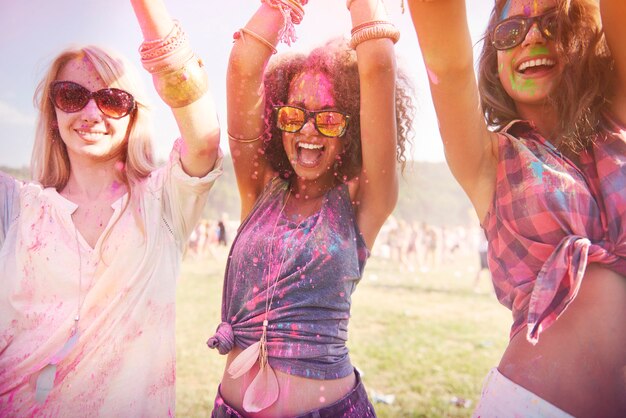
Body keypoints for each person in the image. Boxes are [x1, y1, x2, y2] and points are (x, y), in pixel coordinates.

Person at [0, 0, 222, 415]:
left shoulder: (163, 203)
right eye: (71, 96)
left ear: (133, 114)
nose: (90, 113)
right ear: (52, 114)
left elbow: (205, 137)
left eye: (113, 100)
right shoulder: (14, 206)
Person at [409, 0, 626, 416]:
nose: (531, 37)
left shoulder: (618, 115)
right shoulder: (487, 159)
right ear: (495, 61)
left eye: (551, 23)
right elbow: (448, 63)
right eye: (510, 33)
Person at [206, 0, 414, 416]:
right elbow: (244, 66)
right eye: (293, 114)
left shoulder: (364, 201)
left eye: (328, 120)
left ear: (352, 129)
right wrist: (285, 5)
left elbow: (376, 65)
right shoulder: (259, 187)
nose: (307, 129)